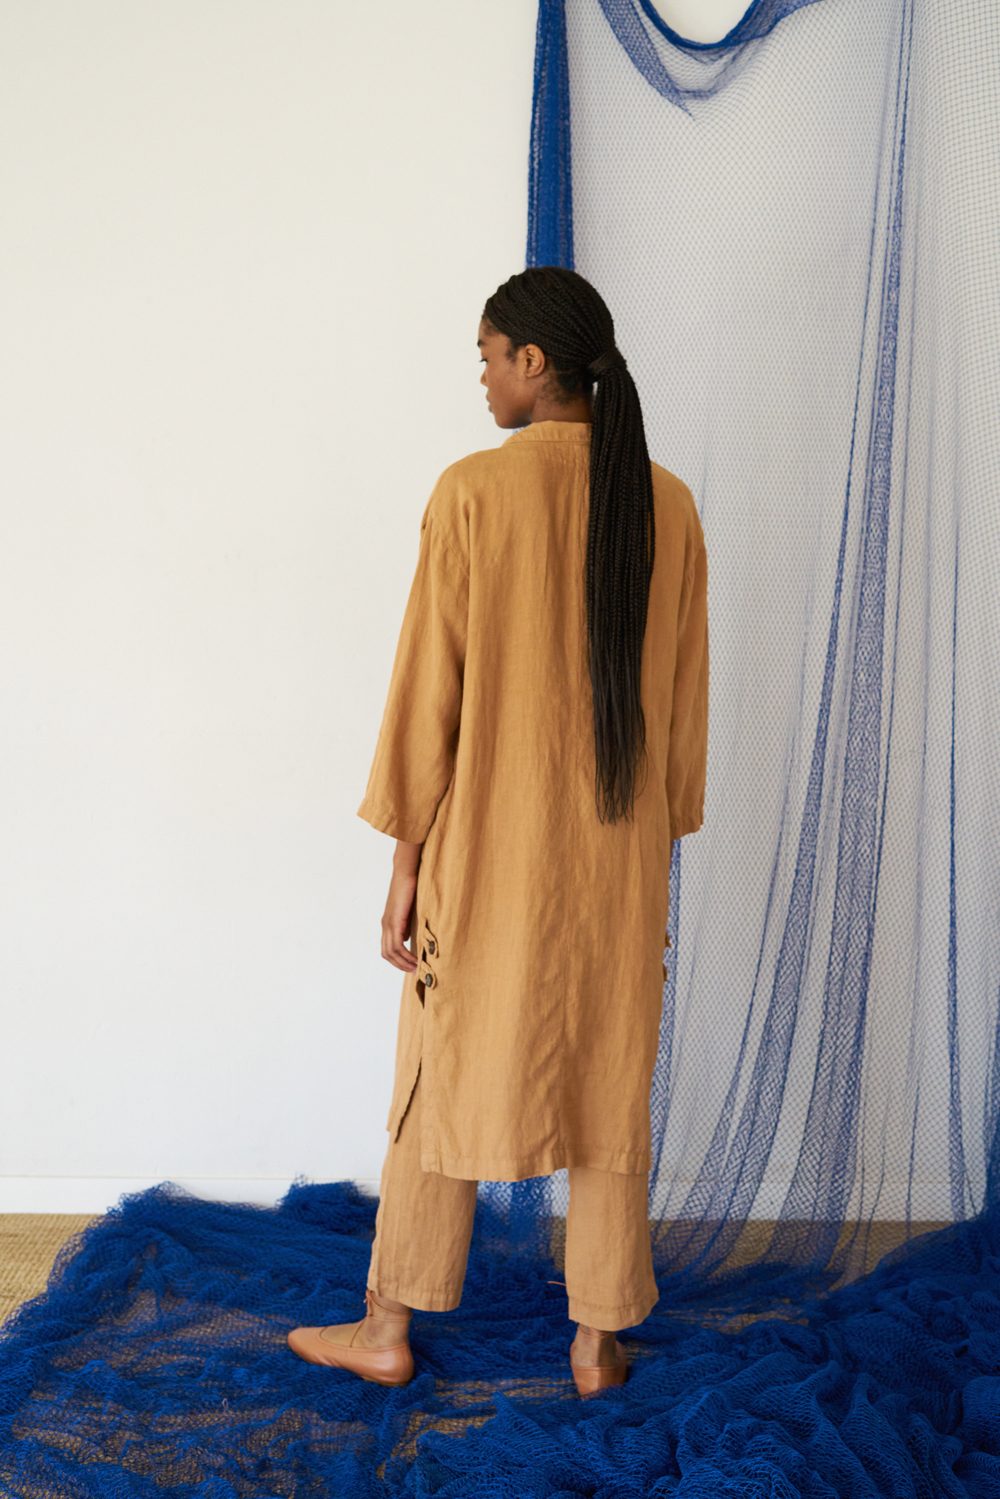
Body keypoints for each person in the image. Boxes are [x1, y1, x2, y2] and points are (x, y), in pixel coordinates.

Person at [288, 266, 709, 1397]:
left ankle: (387, 1325)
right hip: (621, 858)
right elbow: (682, 705)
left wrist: (405, 860)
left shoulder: (473, 491)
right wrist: (657, 837)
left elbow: (429, 691)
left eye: (487, 355)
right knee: (609, 1080)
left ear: (534, 361)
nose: (480, 377)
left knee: (440, 1069)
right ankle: (597, 1340)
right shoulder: (667, 503)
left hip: (487, 852)